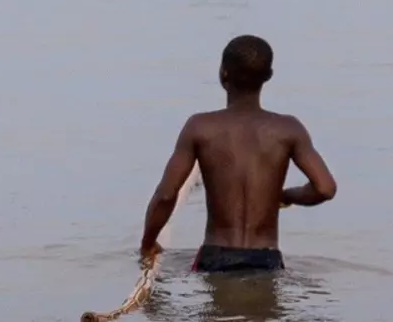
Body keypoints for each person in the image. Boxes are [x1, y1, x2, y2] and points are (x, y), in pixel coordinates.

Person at [139, 34, 337, 273]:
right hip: (266, 259)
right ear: (269, 76)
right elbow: (325, 188)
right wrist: (286, 196)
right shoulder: (289, 129)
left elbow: (166, 194)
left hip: (215, 256)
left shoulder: (200, 127)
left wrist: (147, 244)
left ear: (223, 73)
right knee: (264, 310)